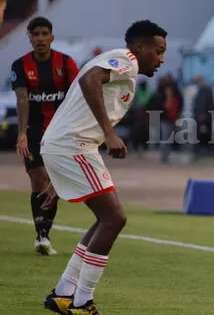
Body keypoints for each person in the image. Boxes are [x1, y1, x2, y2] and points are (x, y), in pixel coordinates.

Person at [38, 20, 167, 315]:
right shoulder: (127, 60)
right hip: (74, 145)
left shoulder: (124, 70)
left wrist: (60, 178)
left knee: (105, 219)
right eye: (158, 51)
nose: (161, 59)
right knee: (113, 218)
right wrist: (109, 134)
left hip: (71, 146)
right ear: (140, 46)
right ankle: (83, 303)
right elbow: (89, 81)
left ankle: (63, 294)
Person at [10, 16, 79, 255]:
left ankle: (44, 232)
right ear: (29, 37)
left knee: (53, 183)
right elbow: (22, 100)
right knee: (38, 180)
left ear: (52, 37)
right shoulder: (20, 65)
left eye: (44, 34)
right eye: (35, 34)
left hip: (60, 133)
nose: (40, 39)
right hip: (33, 132)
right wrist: (21, 134)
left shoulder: (67, 63)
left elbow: (75, 98)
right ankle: (42, 235)